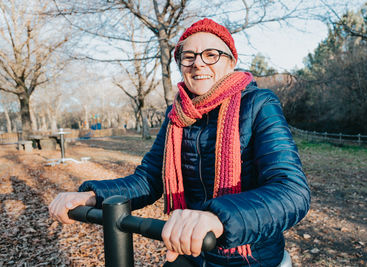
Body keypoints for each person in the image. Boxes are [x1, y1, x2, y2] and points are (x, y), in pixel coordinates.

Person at [49, 18, 310, 267]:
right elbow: (149, 179)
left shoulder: (259, 104)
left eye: (211, 54)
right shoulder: (176, 115)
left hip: (250, 258)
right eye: (188, 57)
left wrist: (218, 217)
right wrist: (92, 196)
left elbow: (291, 191)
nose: (198, 63)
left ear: (231, 62)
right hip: (192, 253)